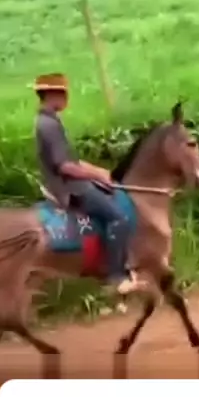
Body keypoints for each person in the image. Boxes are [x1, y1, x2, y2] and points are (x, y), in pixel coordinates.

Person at [33, 72, 140, 295]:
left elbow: (72, 160)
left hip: (70, 182)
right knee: (118, 218)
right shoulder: (49, 125)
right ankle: (115, 276)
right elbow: (65, 166)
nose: (67, 98)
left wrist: (98, 171)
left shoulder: (49, 120)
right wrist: (96, 177)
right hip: (70, 188)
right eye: (63, 93)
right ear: (52, 94)